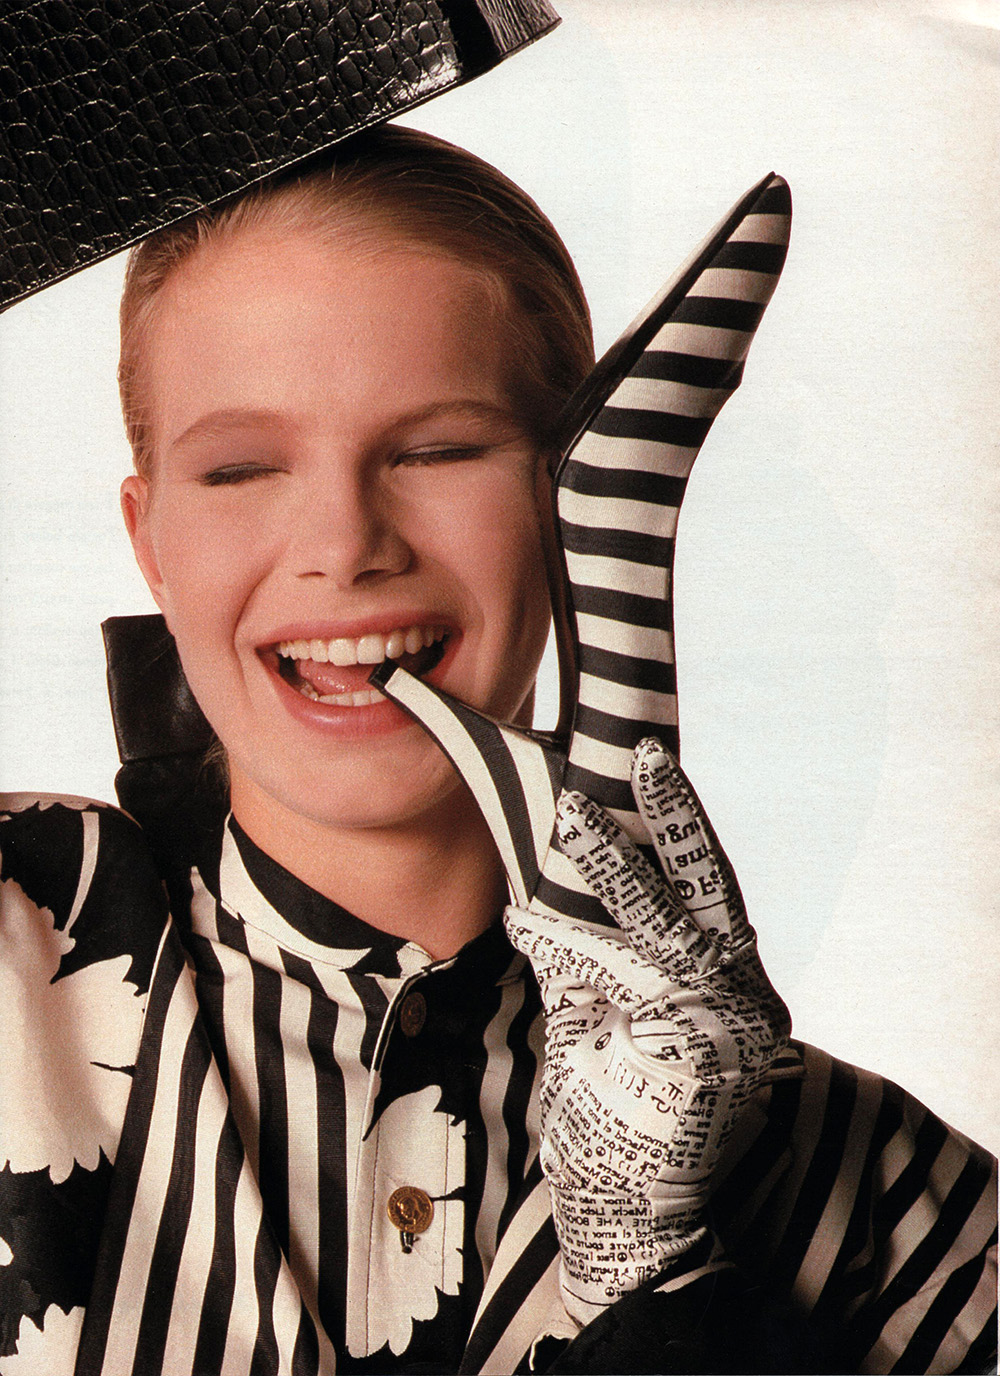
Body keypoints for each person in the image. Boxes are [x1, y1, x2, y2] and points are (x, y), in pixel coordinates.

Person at [0, 126, 995, 1376]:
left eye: (434, 450)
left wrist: (649, 1268)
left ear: (553, 505)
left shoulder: (880, 1199)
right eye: (241, 468)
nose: (344, 544)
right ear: (150, 540)